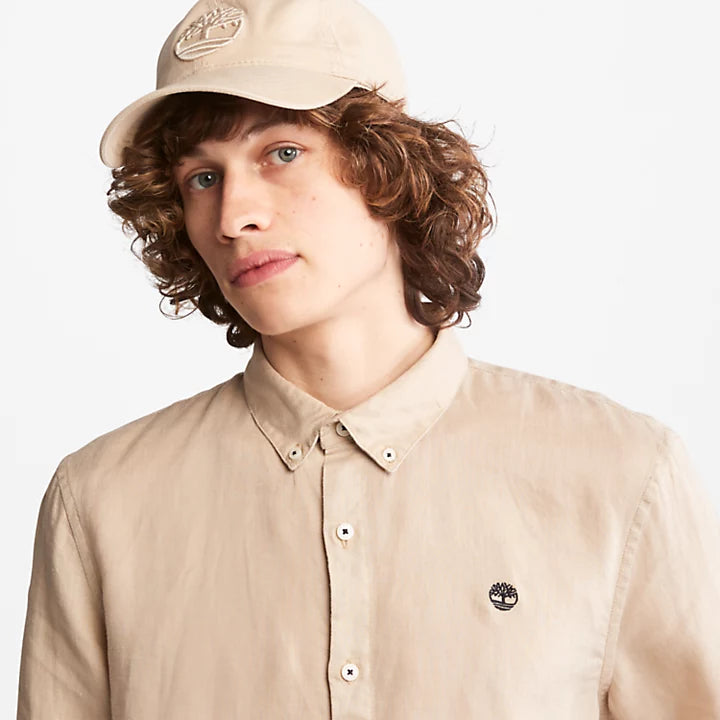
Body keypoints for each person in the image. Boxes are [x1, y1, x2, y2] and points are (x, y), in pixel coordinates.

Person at [16, 0, 720, 718]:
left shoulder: (620, 477)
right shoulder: (101, 504)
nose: (233, 217)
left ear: (387, 164)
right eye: (202, 178)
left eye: (282, 153)